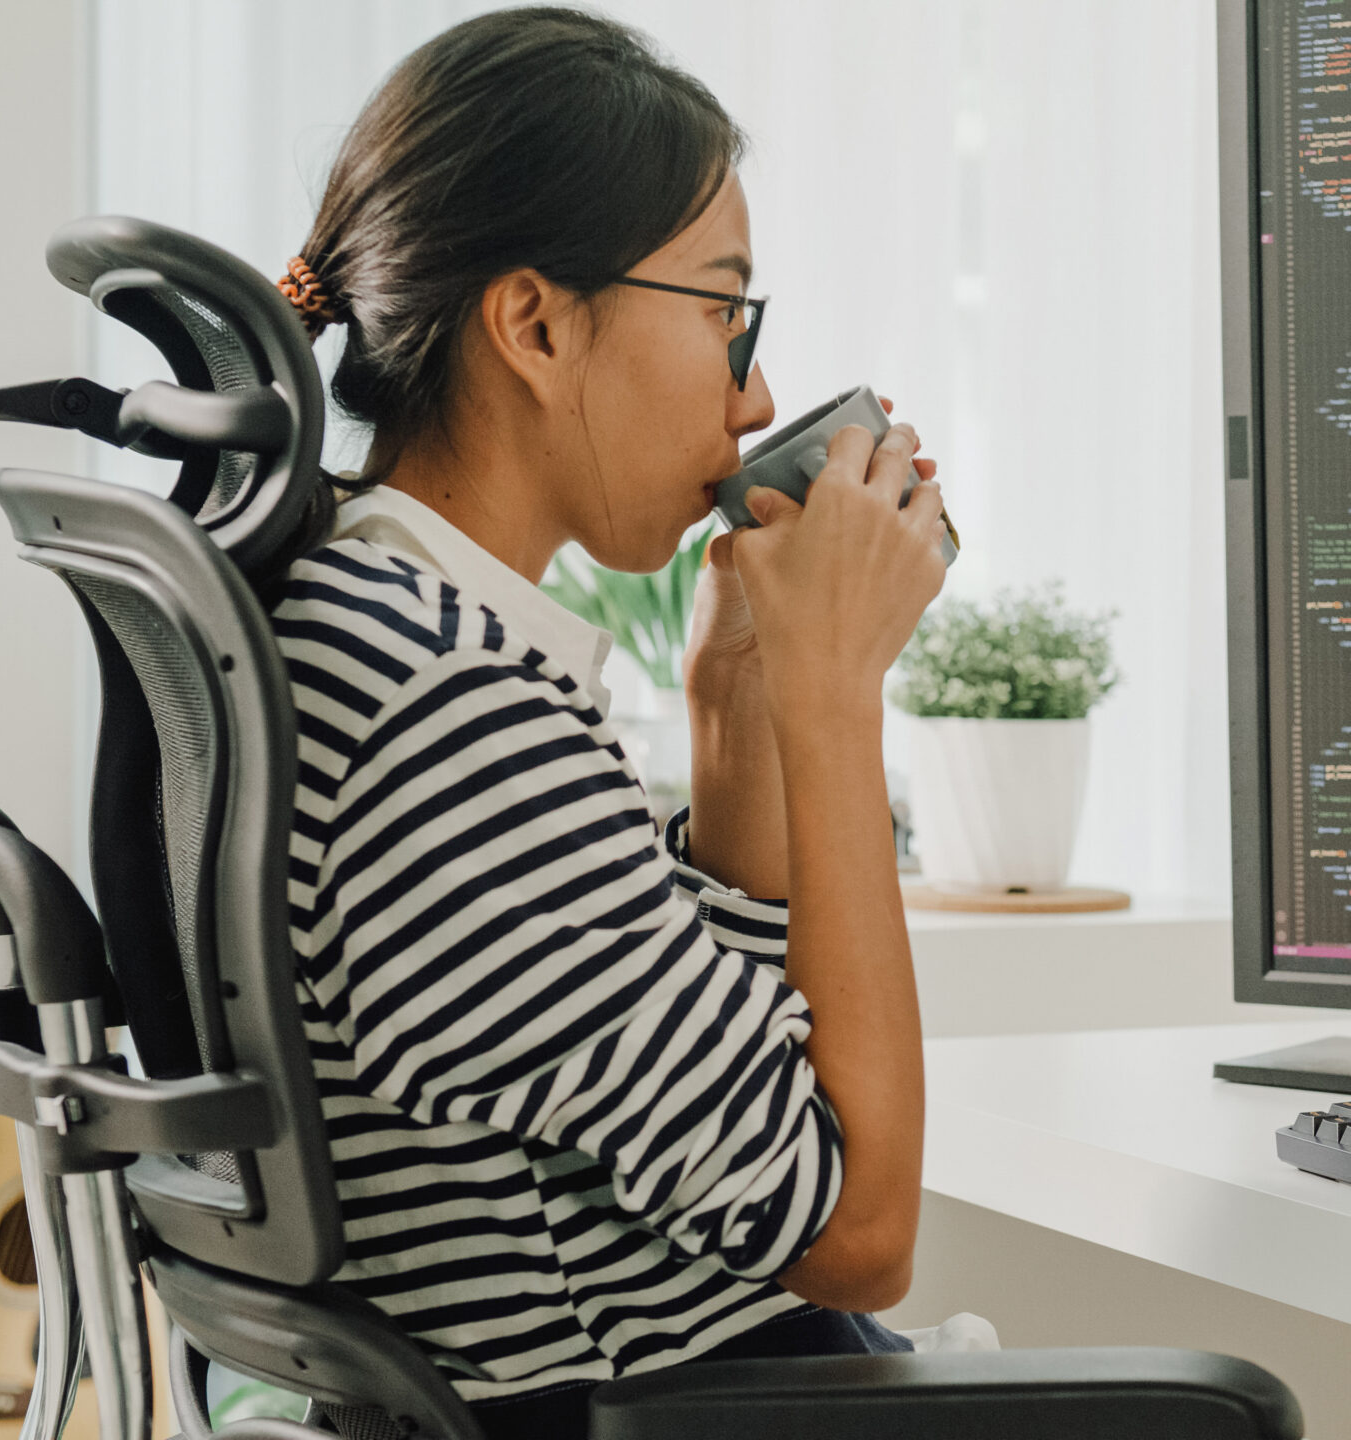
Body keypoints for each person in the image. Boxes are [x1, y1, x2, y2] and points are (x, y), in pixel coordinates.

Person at [266, 9, 944, 1435]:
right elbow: (856, 1226)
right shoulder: (446, 717)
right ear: (536, 322)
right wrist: (836, 703)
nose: (754, 390)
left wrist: (739, 709)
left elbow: (732, 1071)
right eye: (722, 311)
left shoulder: (355, 621)